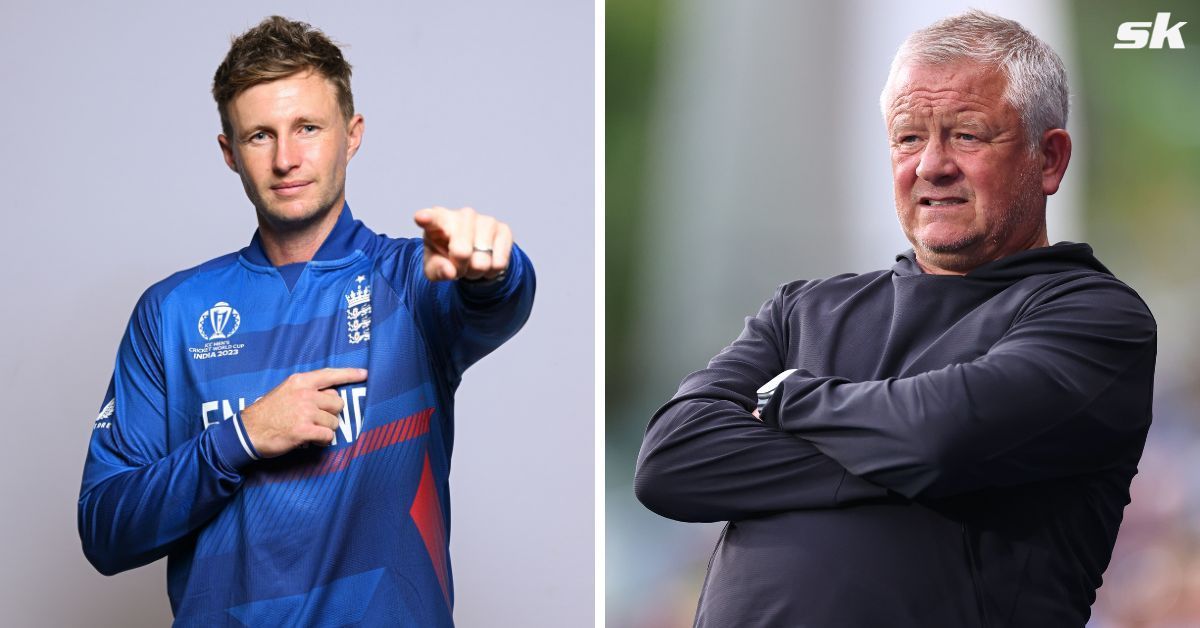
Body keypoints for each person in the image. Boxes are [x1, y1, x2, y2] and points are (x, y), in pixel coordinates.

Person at [635, 10, 1155, 627]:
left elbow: (942, 435)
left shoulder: (1096, 318)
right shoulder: (803, 308)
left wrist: (789, 399)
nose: (931, 166)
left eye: (966, 135)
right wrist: (904, 465)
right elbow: (671, 460)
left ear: (1049, 159)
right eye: (908, 137)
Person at [78, 16, 534, 626]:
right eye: (261, 136)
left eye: (308, 128)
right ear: (229, 152)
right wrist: (239, 440)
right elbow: (106, 530)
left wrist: (494, 268)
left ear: (352, 134)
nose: (287, 159)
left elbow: (497, 297)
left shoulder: (412, 283)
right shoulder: (173, 313)